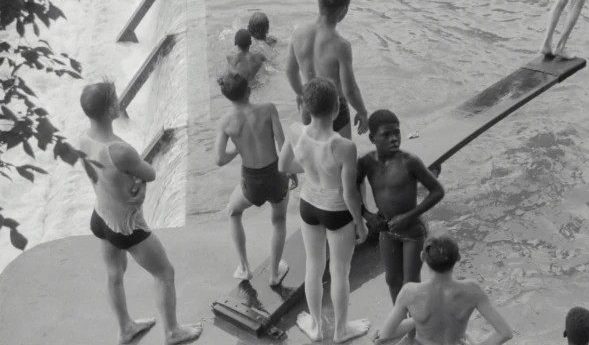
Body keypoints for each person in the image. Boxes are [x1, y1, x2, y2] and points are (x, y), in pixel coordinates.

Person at [75, 80, 202, 345]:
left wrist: (137, 184)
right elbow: (150, 173)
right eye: (116, 100)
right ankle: (172, 331)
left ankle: (125, 328)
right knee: (164, 272)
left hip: (101, 218)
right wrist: (141, 185)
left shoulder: (82, 139)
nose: (120, 102)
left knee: (113, 273)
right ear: (111, 110)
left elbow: (115, 176)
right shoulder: (119, 149)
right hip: (127, 226)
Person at [278, 77, 370, 343]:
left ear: (306, 107)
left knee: (313, 266)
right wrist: (360, 222)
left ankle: (317, 326)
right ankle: (341, 330)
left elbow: (284, 165)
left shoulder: (296, 130)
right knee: (340, 270)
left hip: (309, 206)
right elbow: (350, 193)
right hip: (336, 210)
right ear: (335, 110)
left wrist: (308, 167)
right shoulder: (344, 147)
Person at [357, 109, 445, 303]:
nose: (394, 139)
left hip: (412, 232)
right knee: (391, 279)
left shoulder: (409, 162)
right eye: (386, 135)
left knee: (411, 282)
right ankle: (400, 321)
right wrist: (367, 215)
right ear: (372, 138)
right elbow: (351, 189)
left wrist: (409, 216)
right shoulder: (365, 163)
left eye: (397, 133)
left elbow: (437, 191)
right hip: (387, 231)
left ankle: (414, 330)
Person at [214, 72, 291, 284]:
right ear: (249, 90)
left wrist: (237, 150)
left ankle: (244, 268)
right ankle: (274, 274)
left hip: (252, 181)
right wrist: (290, 170)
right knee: (279, 219)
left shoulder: (226, 122)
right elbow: (283, 143)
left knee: (233, 211)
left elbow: (219, 159)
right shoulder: (268, 109)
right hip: (276, 174)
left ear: (227, 97)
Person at [374, 231, 513, 345]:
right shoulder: (472, 290)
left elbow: (385, 335)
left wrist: (417, 319)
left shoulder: (409, 292)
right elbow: (505, 333)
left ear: (422, 257)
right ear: (458, 257)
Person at [285, 0, 369, 139]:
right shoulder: (340, 45)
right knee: (340, 156)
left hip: (309, 104)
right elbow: (349, 89)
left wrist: (300, 92)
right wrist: (363, 112)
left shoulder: (298, 32)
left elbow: (290, 71)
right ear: (343, 10)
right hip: (334, 108)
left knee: (313, 155)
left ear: (319, 3)